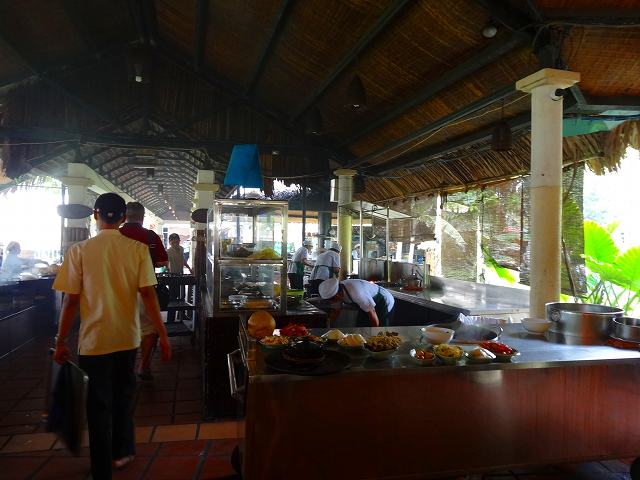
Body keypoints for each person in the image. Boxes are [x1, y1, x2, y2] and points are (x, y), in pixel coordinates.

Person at [52, 193, 171, 480]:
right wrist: (163, 334)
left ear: (95, 215)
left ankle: (101, 468)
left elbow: (70, 301)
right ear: (123, 218)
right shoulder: (137, 250)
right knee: (122, 397)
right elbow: (148, 295)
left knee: (97, 405)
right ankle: (121, 452)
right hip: (127, 339)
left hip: (93, 342)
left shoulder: (79, 251)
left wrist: (61, 341)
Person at [120, 202, 169, 381]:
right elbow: (163, 262)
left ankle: (124, 366)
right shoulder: (150, 236)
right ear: (142, 217)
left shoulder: (115, 234)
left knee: (122, 327)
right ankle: (143, 366)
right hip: (144, 288)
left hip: (118, 290)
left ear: (125, 216)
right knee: (148, 328)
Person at [319, 277, 394, 327]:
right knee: (362, 328)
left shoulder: (357, 293)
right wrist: (328, 327)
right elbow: (336, 311)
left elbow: (372, 313)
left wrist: (375, 334)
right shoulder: (337, 291)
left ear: (337, 295)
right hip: (367, 306)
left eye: (333, 300)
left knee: (381, 330)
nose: (333, 303)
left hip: (383, 301)